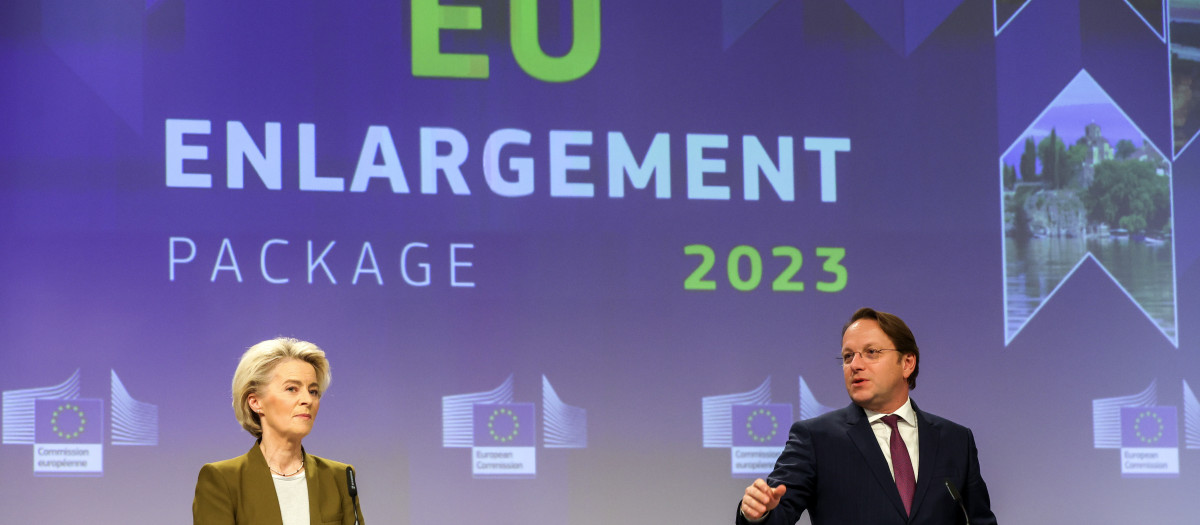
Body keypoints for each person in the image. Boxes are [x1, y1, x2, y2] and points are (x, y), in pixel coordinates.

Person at [737, 308, 996, 524]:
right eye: (848, 356)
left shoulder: (955, 440)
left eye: (871, 352)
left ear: (907, 363)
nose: (855, 365)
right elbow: (778, 509)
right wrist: (759, 513)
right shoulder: (816, 438)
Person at [193, 337, 365, 524]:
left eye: (313, 391)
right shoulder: (222, 480)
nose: (307, 400)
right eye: (292, 389)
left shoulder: (340, 477)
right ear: (255, 402)